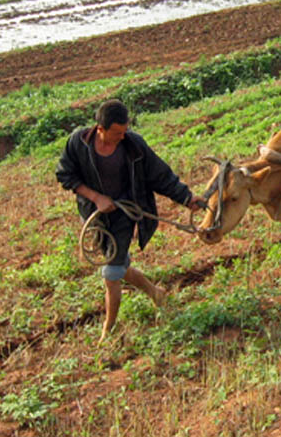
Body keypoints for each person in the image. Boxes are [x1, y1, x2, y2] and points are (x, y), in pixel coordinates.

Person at [55, 99, 204, 343]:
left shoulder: (133, 145)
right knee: (120, 265)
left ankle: (108, 330)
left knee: (112, 273)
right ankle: (156, 294)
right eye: (117, 133)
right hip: (95, 214)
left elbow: (160, 175)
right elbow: (65, 175)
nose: (122, 137)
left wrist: (187, 198)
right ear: (100, 129)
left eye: (125, 131)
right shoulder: (78, 143)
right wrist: (96, 197)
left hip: (125, 213)